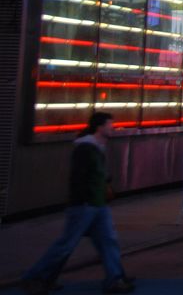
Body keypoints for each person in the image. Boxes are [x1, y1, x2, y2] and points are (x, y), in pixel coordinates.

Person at [20, 113, 136, 295]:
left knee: (107, 241)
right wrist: (95, 192)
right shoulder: (85, 149)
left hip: (96, 204)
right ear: (100, 127)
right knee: (70, 244)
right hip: (86, 204)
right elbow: (82, 177)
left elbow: (95, 174)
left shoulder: (96, 147)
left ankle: (115, 278)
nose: (113, 128)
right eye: (110, 125)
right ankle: (35, 277)